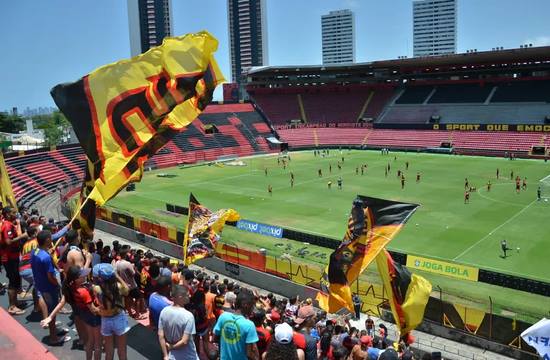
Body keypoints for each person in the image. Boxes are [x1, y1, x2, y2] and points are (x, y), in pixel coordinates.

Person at [42, 266, 101, 360]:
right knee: (97, 343)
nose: (85, 275)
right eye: (82, 275)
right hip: (92, 317)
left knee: (89, 341)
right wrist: (107, 311)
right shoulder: (84, 292)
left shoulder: (70, 285)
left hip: (83, 315)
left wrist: (50, 317)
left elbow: (62, 302)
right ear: (76, 279)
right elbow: (93, 310)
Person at [31, 230, 70, 345]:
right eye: (50, 238)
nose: (52, 240)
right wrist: (57, 285)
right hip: (49, 287)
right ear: (47, 240)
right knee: (52, 312)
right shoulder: (46, 257)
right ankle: (54, 338)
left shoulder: (36, 251)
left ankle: (53, 331)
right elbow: (50, 276)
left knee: (50, 310)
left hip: (40, 285)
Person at [92, 263, 130, 360]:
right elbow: (127, 290)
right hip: (118, 318)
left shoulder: (96, 289)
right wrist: (118, 277)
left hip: (105, 320)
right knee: (122, 351)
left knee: (109, 350)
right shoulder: (118, 286)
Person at [214, 288, 259, 360]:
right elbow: (249, 353)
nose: (252, 309)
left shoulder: (223, 316)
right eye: (252, 305)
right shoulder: (249, 325)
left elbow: (215, 338)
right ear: (245, 305)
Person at [158, 284, 199, 360]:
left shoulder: (164, 311)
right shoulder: (189, 316)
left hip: (171, 356)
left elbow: (160, 335)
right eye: (187, 295)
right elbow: (184, 341)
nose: (189, 296)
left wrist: (166, 355)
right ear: (180, 297)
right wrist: (171, 347)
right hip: (188, 355)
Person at [1, 206, 27, 315]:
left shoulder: (10, 224)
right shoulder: (7, 226)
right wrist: (22, 236)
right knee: (12, 281)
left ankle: (15, 302)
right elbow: (8, 242)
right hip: (9, 258)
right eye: (13, 212)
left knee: (16, 279)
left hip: (13, 257)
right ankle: (12, 306)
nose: (15, 214)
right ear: (7, 214)